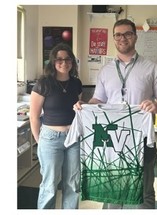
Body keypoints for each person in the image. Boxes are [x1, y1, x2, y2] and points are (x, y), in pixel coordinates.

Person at [74, 19, 157, 209]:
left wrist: (156, 105)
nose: (122, 38)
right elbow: (99, 100)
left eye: (127, 34)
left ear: (135, 36)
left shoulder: (151, 68)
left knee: (144, 191)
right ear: (114, 38)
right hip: (112, 140)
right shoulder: (105, 71)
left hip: (141, 139)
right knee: (113, 187)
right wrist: (84, 106)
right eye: (118, 35)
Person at [30, 44, 82, 209]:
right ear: (53, 62)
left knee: (73, 184)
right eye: (59, 59)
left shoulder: (76, 83)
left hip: (74, 138)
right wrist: (41, 140)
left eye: (67, 59)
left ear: (72, 62)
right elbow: (34, 116)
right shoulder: (43, 84)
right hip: (50, 138)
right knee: (50, 184)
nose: (64, 63)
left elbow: (77, 110)